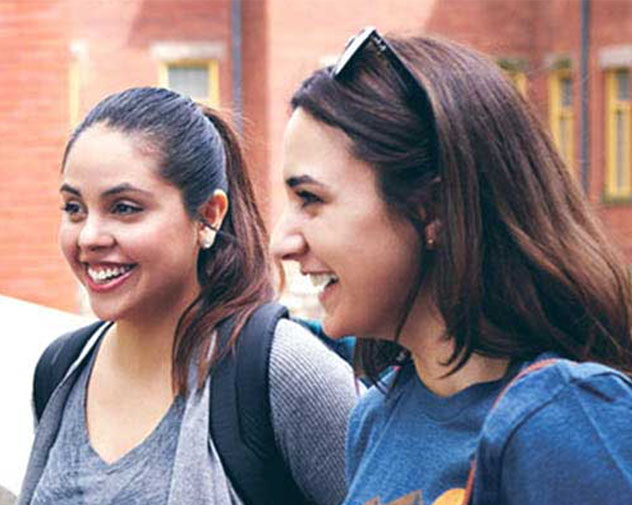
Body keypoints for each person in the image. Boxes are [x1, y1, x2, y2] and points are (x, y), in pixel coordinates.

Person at [271, 27, 632, 505]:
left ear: (433, 208)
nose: (281, 241)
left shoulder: (565, 417)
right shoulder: (376, 416)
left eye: (310, 199)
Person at [18, 87, 359, 505]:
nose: (89, 237)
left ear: (208, 216)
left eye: (124, 208)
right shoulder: (60, 370)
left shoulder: (280, 371)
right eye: (74, 208)